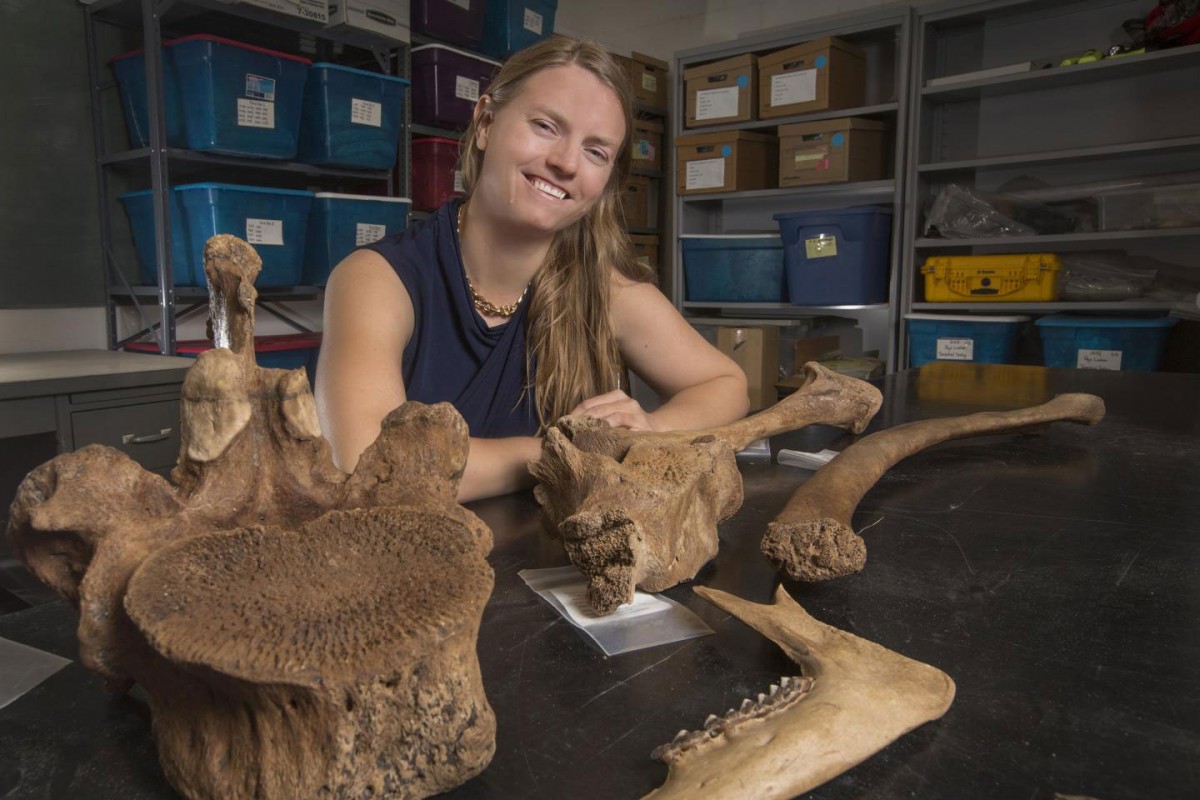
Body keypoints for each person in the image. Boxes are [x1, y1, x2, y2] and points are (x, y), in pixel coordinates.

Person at [315, 35, 749, 503]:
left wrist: (651, 427)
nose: (564, 162)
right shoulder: (377, 279)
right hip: (407, 565)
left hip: (546, 568)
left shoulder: (601, 287)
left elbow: (726, 385)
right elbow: (369, 464)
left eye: (596, 151)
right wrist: (557, 453)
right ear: (485, 123)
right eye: (545, 126)